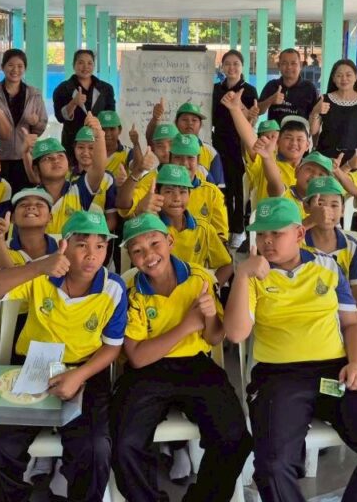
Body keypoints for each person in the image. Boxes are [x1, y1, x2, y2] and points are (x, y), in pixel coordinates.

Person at [224, 197, 357, 501]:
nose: (267, 241)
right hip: (279, 377)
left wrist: (356, 363)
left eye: (276, 233)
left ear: (299, 233)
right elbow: (236, 333)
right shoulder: (253, 276)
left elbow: (352, 324)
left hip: (335, 373)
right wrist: (242, 276)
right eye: (261, 234)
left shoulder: (328, 266)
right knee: (273, 467)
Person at [0, 211, 126, 502]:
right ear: (64, 246)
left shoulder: (113, 287)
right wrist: (39, 266)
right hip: (32, 366)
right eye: (81, 245)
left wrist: (78, 375)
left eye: (100, 246)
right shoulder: (41, 275)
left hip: (84, 370)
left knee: (94, 448)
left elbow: (112, 346)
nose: (92, 255)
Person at [111, 213, 252, 502]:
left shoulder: (199, 278)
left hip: (196, 365)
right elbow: (137, 358)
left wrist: (210, 315)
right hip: (147, 373)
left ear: (170, 241)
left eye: (155, 243)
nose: (149, 255)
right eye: (137, 250)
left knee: (234, 438)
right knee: (124, 445)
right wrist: (186, 326)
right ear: (130, 257)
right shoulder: (131, 291)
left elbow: (214, 337)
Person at [138, 164, 234, 286]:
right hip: (160, 294)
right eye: (169, 191)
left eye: (183, 191)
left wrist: (212, 288)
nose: (177, 198)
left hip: (194, 293)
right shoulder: (151, 229)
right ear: (157, 192)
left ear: (190, 194)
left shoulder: (203, 229)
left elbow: (227, 265)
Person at [0, 48, 49, 192]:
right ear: (2, 67)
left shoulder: (34, 94)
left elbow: (40, 127)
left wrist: (35, 123)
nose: (15, 70)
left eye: (20, 66)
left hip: (25, 157)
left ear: (25, 68)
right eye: (10, 65)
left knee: (23, 196)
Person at [211, 49, 259, 249]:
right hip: (217, 143)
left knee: (239, 189)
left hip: (239, 145)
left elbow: (250, 120)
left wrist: (242, 108)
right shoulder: (215, 89)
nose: (231, 67)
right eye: (227, 64)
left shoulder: (249, 90)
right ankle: (223, 228)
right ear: (222, 67)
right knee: (221, 188)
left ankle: (238, 230)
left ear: (242, 67)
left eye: (236, 64)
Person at [301, 175, 357, 316]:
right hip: (307, 312)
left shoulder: (351, 245)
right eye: (320, 204)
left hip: (343, 314)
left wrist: (356, 323)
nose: (326, 211)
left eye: (334, 205)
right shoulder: (297, 242)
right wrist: (310, 221)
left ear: (343, 210)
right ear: (306, 207)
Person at [53, 49, 116, 162]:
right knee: (74, 171)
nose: (85, 67)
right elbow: (60, 117)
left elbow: (111, 116)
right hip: (73, 143)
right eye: (81, 62)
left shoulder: (106, 89)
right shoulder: (63, 89)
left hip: (98, 143)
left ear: (94, 65)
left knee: (98, 171)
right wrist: (73, 103)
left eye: (89, 63)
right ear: (74, 65)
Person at [311, 58, 357, 159]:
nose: (344, 79)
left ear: (356, 77)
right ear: (333, 78)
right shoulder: (324, 99)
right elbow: (313, 131)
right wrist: (315, 111)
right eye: (339, 75)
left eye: (348, 75)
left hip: (355, 159)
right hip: (326, 158)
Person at [0, 188, 59, 273]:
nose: (31, 207)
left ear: (50, 218)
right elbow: (4, 279)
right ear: (13, 218)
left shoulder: (61, 246)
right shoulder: (1, 247)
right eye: (23, 204)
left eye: (39, 204)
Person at [257, 48, 319, 123]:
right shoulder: (272, 85)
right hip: (275, 130)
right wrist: (270, 100)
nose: (289, 67)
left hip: (300, 130)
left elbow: (316, 116)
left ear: (301, 65)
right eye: (284, 63)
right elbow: (258, 111)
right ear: (278, 66)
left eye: (293, 63)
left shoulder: (309, 88)